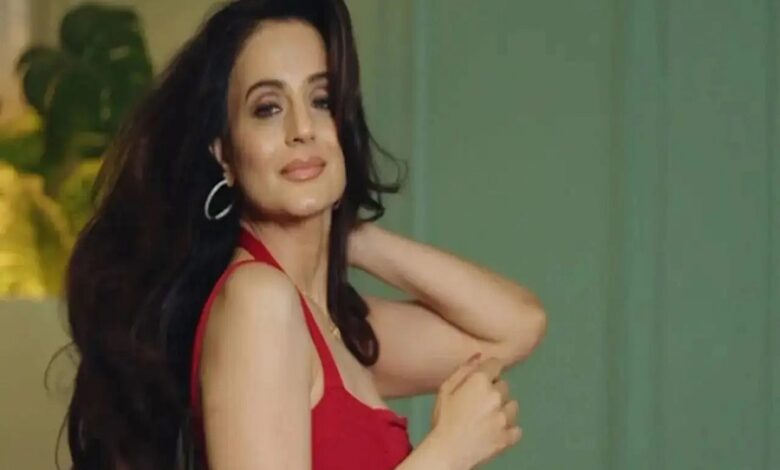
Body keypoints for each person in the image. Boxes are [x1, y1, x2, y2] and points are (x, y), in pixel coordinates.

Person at [63, 0, 547, 469]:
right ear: (225, 154)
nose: (302, 128)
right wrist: (448, 454)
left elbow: (516, 327)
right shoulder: (259, 301)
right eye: (268, 108)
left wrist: (350, 233)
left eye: (321, 101)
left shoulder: (333, 324)